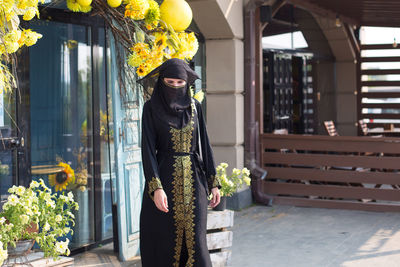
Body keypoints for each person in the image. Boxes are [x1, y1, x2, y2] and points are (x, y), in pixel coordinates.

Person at [139, 58, 221, 267]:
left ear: (187, 83)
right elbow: (147, 150)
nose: (175, 87)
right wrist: (156, 188)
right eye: (170, 82)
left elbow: (205, 144)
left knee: (197, 244)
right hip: (164, 182)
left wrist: (214, 182)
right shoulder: (151, 108)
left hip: (196, 183)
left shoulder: (195, 107)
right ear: (161, 82)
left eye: (180, 83)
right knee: (164, 243)